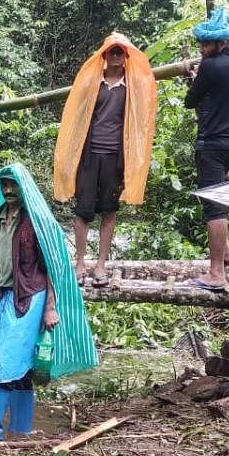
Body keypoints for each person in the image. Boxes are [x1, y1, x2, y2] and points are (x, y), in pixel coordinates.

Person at [0, 164, 98, 447]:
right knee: (16, 366)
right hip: (3, 297)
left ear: (24, 188)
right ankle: (21, 428)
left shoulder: (37, 222)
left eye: (13, 185)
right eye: (4, 186)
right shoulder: (0, 216)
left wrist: (51, 307)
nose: (9, 190)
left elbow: (52, 267)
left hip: (30, 297)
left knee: (3, 362)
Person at [53, 32, 157, 286]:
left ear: (126, 57)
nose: (116, 56)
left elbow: (140, 123)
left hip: (115, 158)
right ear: (105, 55)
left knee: (109, 211)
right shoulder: (92, 85)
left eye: (121, 52)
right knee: (83, 210)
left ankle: (100, 264)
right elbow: (76, 119)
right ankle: (79, 262)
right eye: (113, 51)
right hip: (89, 156)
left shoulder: (132, 89)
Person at [184, 8, 229, 291]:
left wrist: (195, 76)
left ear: (220, 43)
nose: (201, 49)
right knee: (220, 197)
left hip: (212, 143)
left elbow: (191, 101)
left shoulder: (211, 67)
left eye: (204, 44)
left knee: (213, 208)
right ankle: (226, 254)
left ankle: (216, 273)